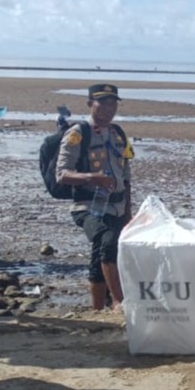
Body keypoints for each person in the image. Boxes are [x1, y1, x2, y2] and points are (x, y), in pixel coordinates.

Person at [56, 84, 134, 312]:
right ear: (90, 104)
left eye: (113, 104)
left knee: (100, 254)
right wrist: (92, 177)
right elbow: (62, 174)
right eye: (103, 103)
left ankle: (98, 310)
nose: (108, 109)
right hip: (88, 206)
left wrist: (129, 211)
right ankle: (119, 300)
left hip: (117, 206)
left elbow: (126, 175)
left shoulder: (119, 133)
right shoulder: (78, 133)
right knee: (107, 240)